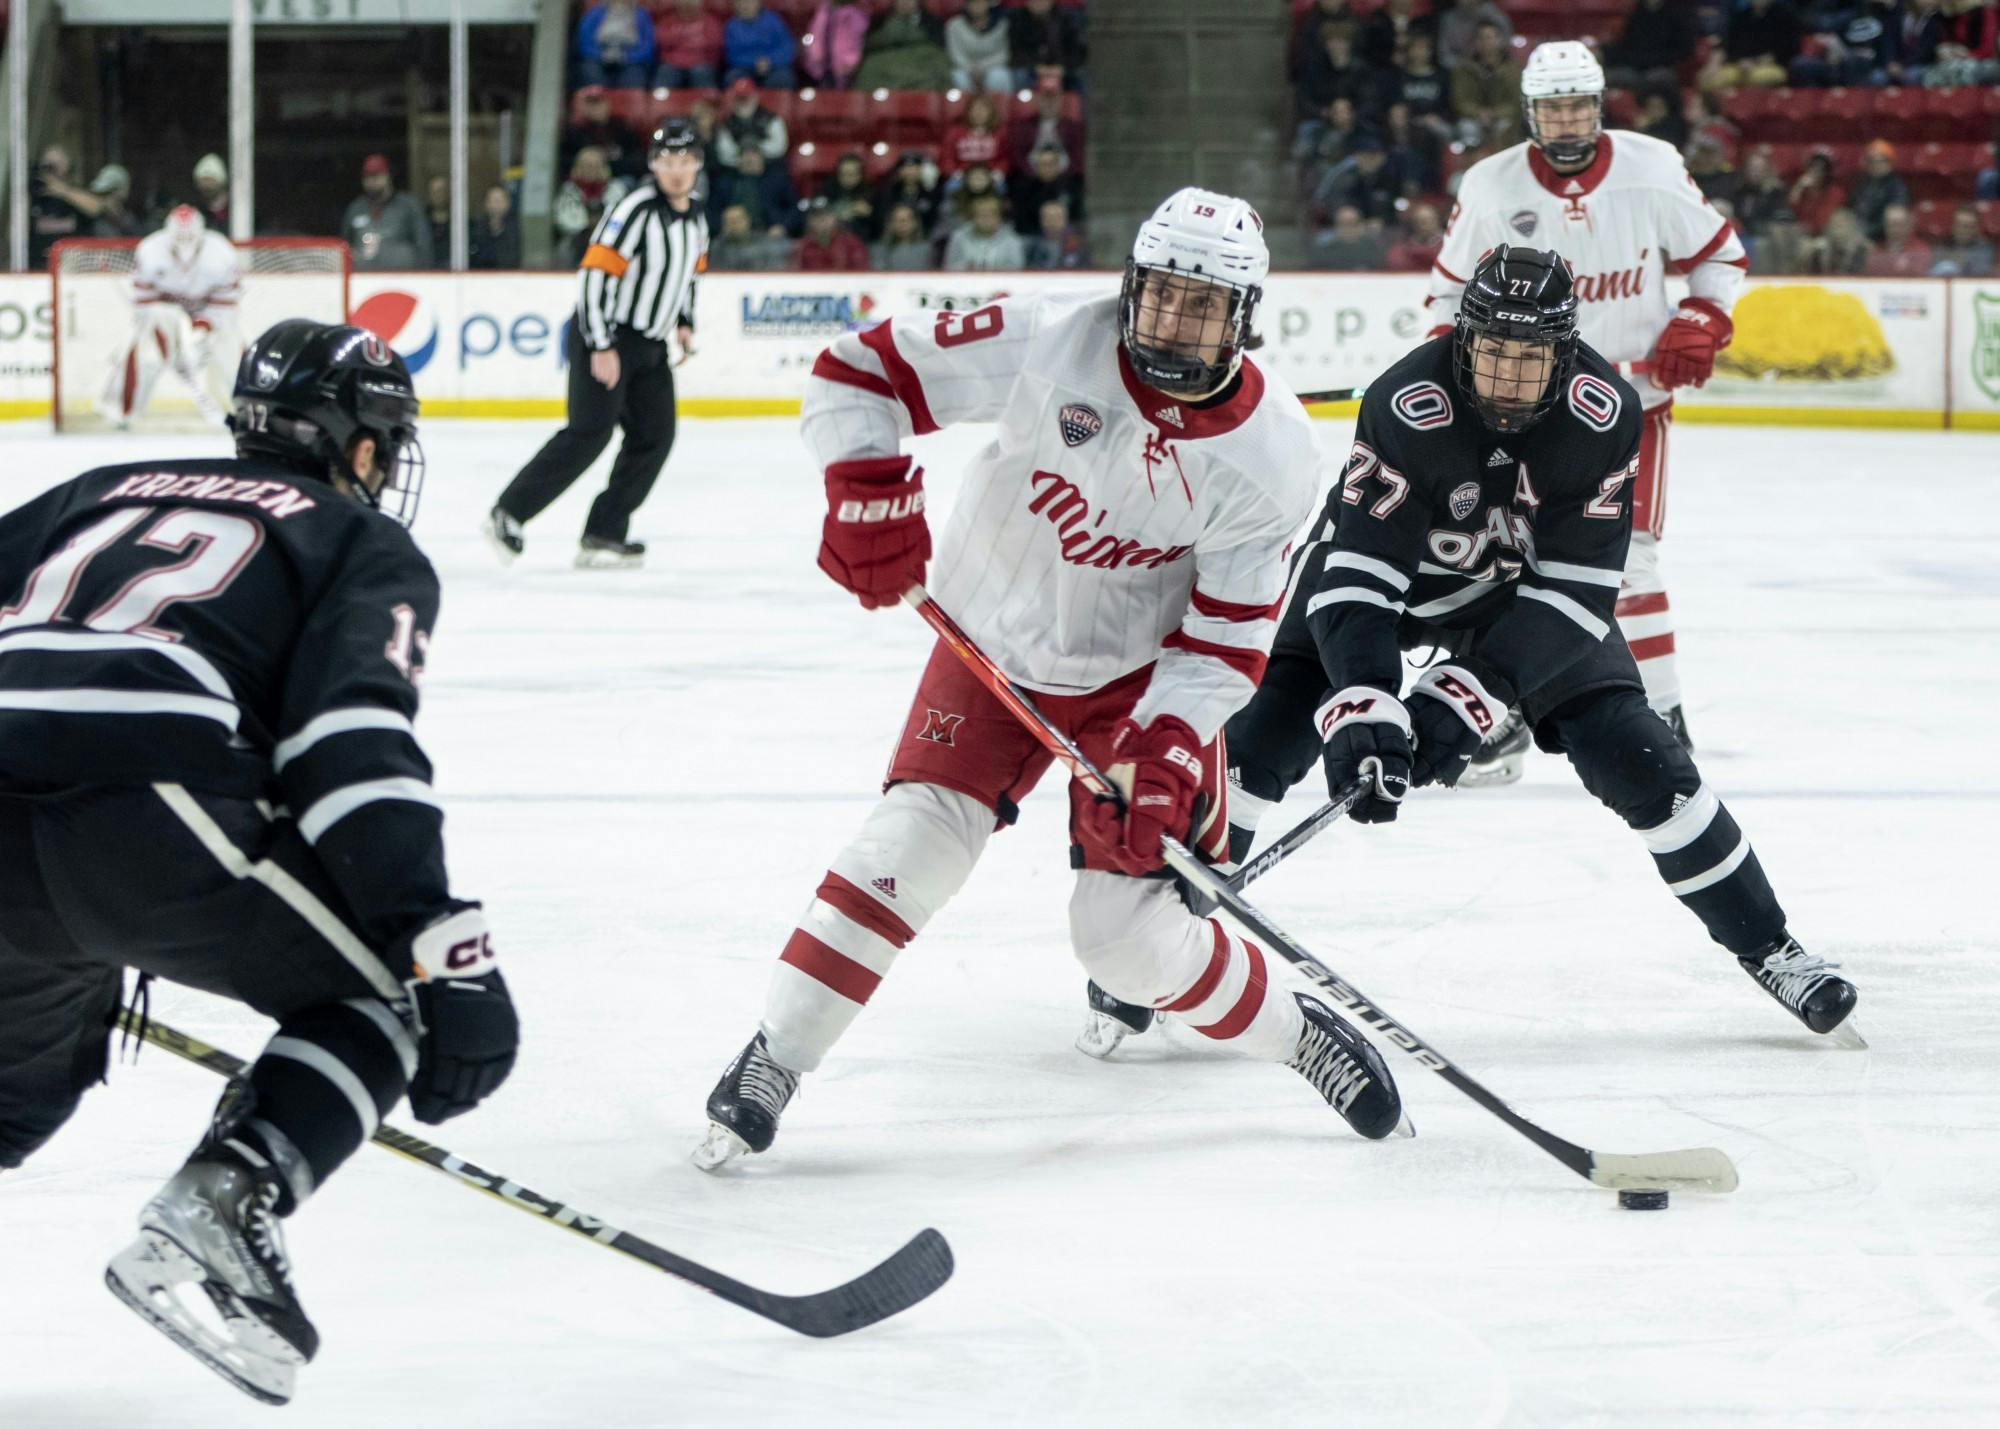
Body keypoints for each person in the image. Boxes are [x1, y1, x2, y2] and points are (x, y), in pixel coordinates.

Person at [691, 187, 1407, 1172]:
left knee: (1119, 939)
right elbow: (855, 371)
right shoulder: (1044, 341)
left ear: (1243, 317)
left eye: (1202, 307)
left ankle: (1300, 1033)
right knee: (904, 848)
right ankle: (777, 1054)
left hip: (1137, 688)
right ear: (1128, 286)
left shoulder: (1275, 455)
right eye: (1158, 296)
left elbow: (1228, 639)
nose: (1171, 321)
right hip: (985, 644)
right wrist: (861, 489)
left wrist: (1162, 748)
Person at [1147, 246, 1859, 1063]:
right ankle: (1154, 947)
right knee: (1251, 755)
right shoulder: (1405, 402)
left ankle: (1773, 948)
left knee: (1641, 756)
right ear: (1463, 341)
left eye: (1532, 359)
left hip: (1515, 601)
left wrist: (1474, 693)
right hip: (1389, 590)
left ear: (1566, 353)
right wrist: (1368, 702)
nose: (1509, 378)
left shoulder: (1602, 413)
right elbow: (1357, 580)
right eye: (1494, 354)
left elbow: (1576, 593)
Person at [0, 317, 518, 1405]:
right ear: (361, 447)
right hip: (147, 803)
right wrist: (440, 947)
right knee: (389, 1004)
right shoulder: (356, 539)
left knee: (11, 1100)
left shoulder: (92, 487)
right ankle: (228, 1202)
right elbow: (348, 751)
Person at [1426, 42, 1747, 772]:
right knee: (1502, 560)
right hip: (1522, 411)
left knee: (1627, 559)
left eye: (1578, 105)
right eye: (1552, 107)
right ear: (1529, 111)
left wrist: (1700, 319)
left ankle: (1661, 715)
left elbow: (1719, 256)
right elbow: (1448, 293)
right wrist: (1461, 367)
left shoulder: (1653, 167)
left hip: (1628, 406)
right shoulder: (1490, 185)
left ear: (1599, 106)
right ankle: (1503, 712)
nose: (1567, 121)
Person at [486, 122, 708, 570]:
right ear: (653, 165)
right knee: (589, 432)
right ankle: (508, 513)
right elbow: (593, 276)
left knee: (655, 436)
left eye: (685, 162)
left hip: (650, 346)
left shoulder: (698, 218)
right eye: (668, 162)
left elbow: (689, 276)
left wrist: (683, 322)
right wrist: (602, 345)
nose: (677, 172)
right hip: (604, 335)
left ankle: (604, 533)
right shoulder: (635, 209)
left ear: (698, 164)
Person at [98, 205, 243, 428]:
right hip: (165, 314)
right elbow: (145, 305)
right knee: (148, 356)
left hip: (210, 314)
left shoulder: (222, 253)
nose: (185, 240)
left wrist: (202, 326)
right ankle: (122, 411)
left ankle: (242, 410)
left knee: (230, 353)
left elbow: (226, 306)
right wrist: (178, 330)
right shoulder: (150, 250)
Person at [340, 155, 433, 271]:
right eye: (367, 177)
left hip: (402, 278)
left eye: (376, 176)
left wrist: (423, 275)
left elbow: (424, 246)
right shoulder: (356, 208)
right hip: (363, 280)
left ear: (388, 176)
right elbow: (345, 246)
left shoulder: (408, 206)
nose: (371, 181)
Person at [853, 0, 952, 93]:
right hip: (886, 64)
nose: (905, 2)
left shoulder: (932, 23)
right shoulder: (879, 22)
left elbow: (939, 48)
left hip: (923, 63)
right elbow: (870, 46)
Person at [562, 84, 647, 181]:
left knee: (627, 181)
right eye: (591, 104)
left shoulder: (623, 128)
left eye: (599, 103)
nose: (595, 108)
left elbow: (638, 159)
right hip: (586, 181)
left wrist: (607, 165)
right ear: (585, 108)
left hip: (617, 180)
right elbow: (566, 162)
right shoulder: (576, 133)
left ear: (607, 104)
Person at [29, 146, 91, 270]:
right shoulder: (34, 194)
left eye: (57, 164)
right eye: (47, 164)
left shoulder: (76, 192)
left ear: (67, 167)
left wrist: (62, 191)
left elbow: (95, 208)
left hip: (73, 263)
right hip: (39, 263)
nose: (51, 169)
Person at [575, 0, 656, 88]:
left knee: (634, 74)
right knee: (590, 70)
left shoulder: (642, 15)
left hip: (631, 60)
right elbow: (584, 43)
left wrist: (625, 57)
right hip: (598, 57)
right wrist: (601, 55)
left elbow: (647, 47)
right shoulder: (595, 13)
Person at [722, 0, 798, 89]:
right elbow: (731, 55)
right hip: (744, 67)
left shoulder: (774, 21)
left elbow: (787, 48)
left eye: (749, 2)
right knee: (732, 78)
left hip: (774, 66)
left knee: (783, 79)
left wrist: (770, 61)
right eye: (740, 3)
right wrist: (754, 62)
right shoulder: (731, 26)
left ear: (758, 3)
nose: (745, 6)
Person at [943, 190, 1026, 269]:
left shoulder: (1012, 240)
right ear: (973, 217)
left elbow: (1016, 271)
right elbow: (950, 267)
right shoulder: (959, 238)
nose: (986, 219)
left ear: (999, 217)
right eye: (981, 214)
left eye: (991, 214)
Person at [947, 0, 1015, 93]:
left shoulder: (1002, 24)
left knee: (1000, 76)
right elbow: (955, 53)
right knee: (958, 77)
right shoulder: (954, 25)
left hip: (994, 67)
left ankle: (998, 106)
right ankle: (964, 106)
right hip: (965, 68)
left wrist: (983, 68)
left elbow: (1003, 53)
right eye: (973, 3)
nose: (977, 6)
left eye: (980, 2)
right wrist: (971, 68)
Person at [655, 0, 725, 89]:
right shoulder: (667, 21)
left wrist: (681, 40)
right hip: (673, 64)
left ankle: (708, 101)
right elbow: (662, 42)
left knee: (701, 72)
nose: (687, 2)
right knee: (666, 72)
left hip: (701, 64)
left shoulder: (710, 22)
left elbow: (715, 45)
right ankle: (659, 102)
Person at [803, 0, 871, 89]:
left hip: (845, 70)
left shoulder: (856, 14)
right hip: (822, 68)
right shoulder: (824, 11)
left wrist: (850, 62)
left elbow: (858, 42)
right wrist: (813, 56)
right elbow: (815, 35)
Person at [711, 201, 794, 269]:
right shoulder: (717, 247)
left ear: (748, 221)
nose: (733, 225)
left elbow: (775, 271)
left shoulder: (765, 244)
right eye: (728, 222)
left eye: (737, 220)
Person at [795, 196, 870, 270]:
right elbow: (792, 275)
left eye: (824, 215)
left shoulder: (852, 244)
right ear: (809, 221)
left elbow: (862, 275)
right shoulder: (802, 246)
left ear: (835, 218)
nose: (820, 221)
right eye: (815, 216)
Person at [1865, 202, 1933, 275]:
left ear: (1909, 225)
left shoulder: (1921, 251)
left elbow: (1919, 276)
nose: (1894, 229)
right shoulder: (1876, 251)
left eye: (1898, 224)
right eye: (1890, 224)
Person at [1930, 203, 1995, 276]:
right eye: (1959, 225)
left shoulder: (1985, 251)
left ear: (1977, 229)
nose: (1963, 230)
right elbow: (1932, 277)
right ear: (1953, 227)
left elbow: (1981, 275)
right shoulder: (1941, 248)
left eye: (1969, 226)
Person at [469, 184, 522, 269]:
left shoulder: (516, 231)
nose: (497, 205)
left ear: (507, 204)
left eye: (500, 200)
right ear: (486, 204)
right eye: (493, 200)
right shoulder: (476, 230)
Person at [1024, 198, 1084, 268]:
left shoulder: (1078, 247)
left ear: (1065, 220)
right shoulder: (1032, 247)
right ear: (1041, 221)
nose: (1052, 222)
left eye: (1057, 217)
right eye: (1048, 217)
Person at [193, 152, 231, 233]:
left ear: (221, 182)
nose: (206, 185)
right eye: (202, 181)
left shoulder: (236, 209)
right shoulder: (196, 212)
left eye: (210, 180)